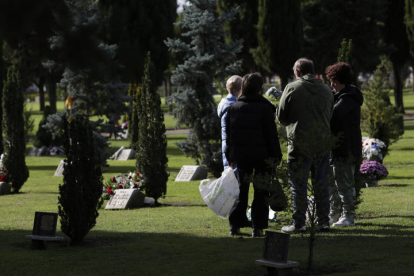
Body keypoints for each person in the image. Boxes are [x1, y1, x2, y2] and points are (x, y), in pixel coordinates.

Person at [277, 58, 334, 233]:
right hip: (322, 144)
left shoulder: (292, 88)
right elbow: (330, 114)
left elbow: (281, 117)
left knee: (298, 186)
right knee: (321, 184)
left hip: (299, 143)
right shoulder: (326, 89)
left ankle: (299, 223)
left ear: (297, 72)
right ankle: (323, 221)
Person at [225, 73, 283, 238]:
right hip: (262, 155)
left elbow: (230, 135)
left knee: (241, 190)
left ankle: (235, 225)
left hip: (242, 155)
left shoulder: (234, 108)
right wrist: (276, 156)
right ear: (260, 88)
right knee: (261, 191)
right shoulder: (265, 108)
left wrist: (229, 155)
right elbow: (271, 135)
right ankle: (257, 227)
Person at [325, 62, 363, 228]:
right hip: (336, 147)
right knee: (333, 183)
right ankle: (335, 213)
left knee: (344, 183)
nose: (331, 84)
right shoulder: (339, 96)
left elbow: (334, 116)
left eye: (334, 81)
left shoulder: (348, 98)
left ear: (342, 80)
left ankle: (348, 216)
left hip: (346, 148)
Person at [218, 76, 242, 174]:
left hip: (227, 146)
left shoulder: (224, 103)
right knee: (235, 177)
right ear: (236, 91)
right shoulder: (234, 107)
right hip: (232, 147)